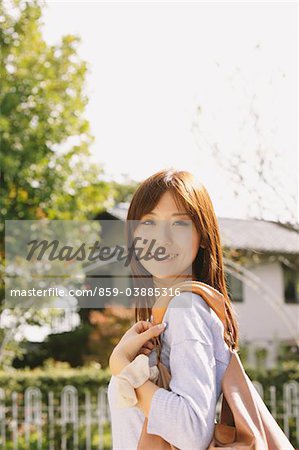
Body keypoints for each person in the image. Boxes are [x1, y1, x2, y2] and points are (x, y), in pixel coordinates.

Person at [108, 169, 239, 450]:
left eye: (180, 224)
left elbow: (191, 433)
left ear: (203, 236)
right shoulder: (170, 311)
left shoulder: (185, 309)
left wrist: (124, 369)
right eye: (149, 223)